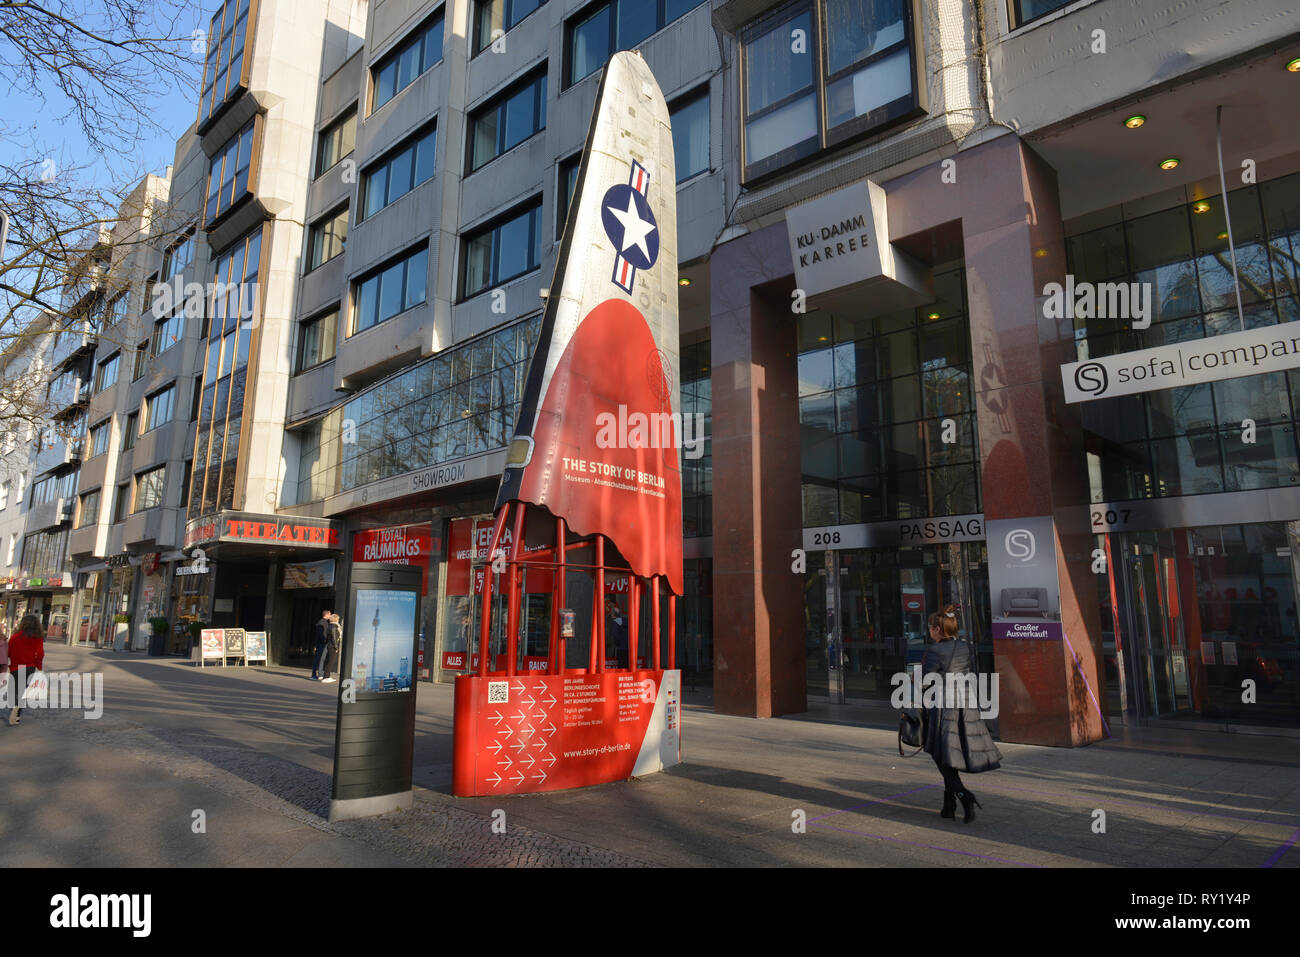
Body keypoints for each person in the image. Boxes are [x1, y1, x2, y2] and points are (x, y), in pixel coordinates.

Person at [922, 605, 1001, 822]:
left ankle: (965, 796)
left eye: (931, 627)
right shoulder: (965, 647)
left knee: (941, 756)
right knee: (949, 755)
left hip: (943, 708)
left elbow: (925, 681)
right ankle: (948, 806)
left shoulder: (934, 650)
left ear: (938, 629)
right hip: (965, 706)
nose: (929, 630)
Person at [8, 614, 46, 726]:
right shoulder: (38, 638)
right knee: (23, 691)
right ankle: (17, 716)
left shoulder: (15, 637)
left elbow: (8, 652)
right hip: (30, 667)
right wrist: (39, 667)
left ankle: (14, 707)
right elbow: (40, 654)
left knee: (14, 691)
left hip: (15, 667)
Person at [605, 596, 627, 667]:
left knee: (620, 664)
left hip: (620, 647)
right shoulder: (625, 620)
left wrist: (616, 643)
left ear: (612, 614)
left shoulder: (615, 623)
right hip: (627, 647)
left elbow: (615, 634)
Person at [320, 613, 342, 683]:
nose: (338, 620)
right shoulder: (334, 626)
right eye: (338, 619)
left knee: (330, 661)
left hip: (330, 645)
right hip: (332, 646)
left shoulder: (330, 625)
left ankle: (326, 676)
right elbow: (334, 637)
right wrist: (336, 647)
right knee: (331, 661)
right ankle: (326, 677)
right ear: (336, 619)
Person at [311, 609, 332, 680]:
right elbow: (322, 634)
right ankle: (315, 674)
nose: (330, 615)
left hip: (320, 643)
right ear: (327, 614)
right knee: (319, 659)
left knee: (319, 659)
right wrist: (325, 640)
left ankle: (316, 674)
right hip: (321, 644)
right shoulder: (323, 623)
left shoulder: (322, 622)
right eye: (330, 614)